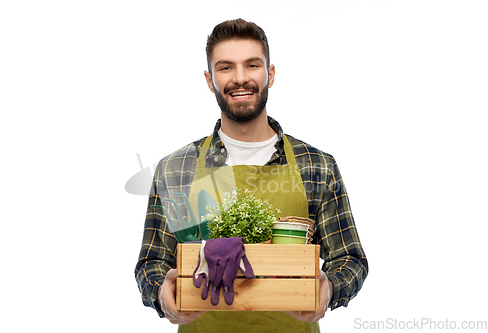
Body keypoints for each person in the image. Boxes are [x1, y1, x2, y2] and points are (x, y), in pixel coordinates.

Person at [135, 18, 368, 333]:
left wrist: (328, 290)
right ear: (209, 79)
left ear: (270, 75)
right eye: (226, 67)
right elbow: (152, 263)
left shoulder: (315, 165)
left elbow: (349, 259)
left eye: (252, 65)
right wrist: (162, 291)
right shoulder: (178, 168)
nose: (240, 78)